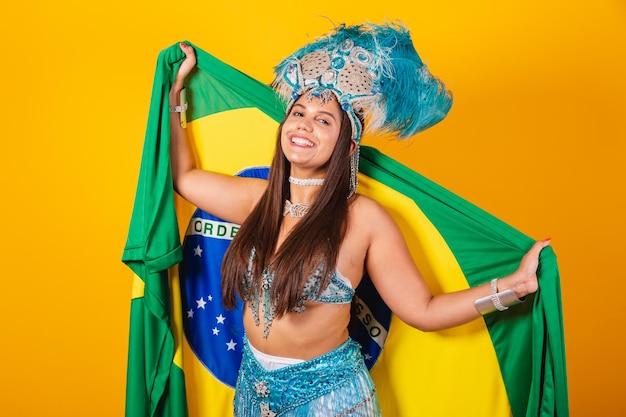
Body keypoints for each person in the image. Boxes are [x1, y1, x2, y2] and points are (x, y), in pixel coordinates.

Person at [168, 23, 550, 417]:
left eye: (323, 120)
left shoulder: (362, 219)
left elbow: (424, 310)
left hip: (331, 402)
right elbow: (184, 178)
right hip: (252, 393)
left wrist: (513, 286)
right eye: (298, 112)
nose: (304, 124)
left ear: (347, 145)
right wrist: (176, 93)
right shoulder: (259, 201)